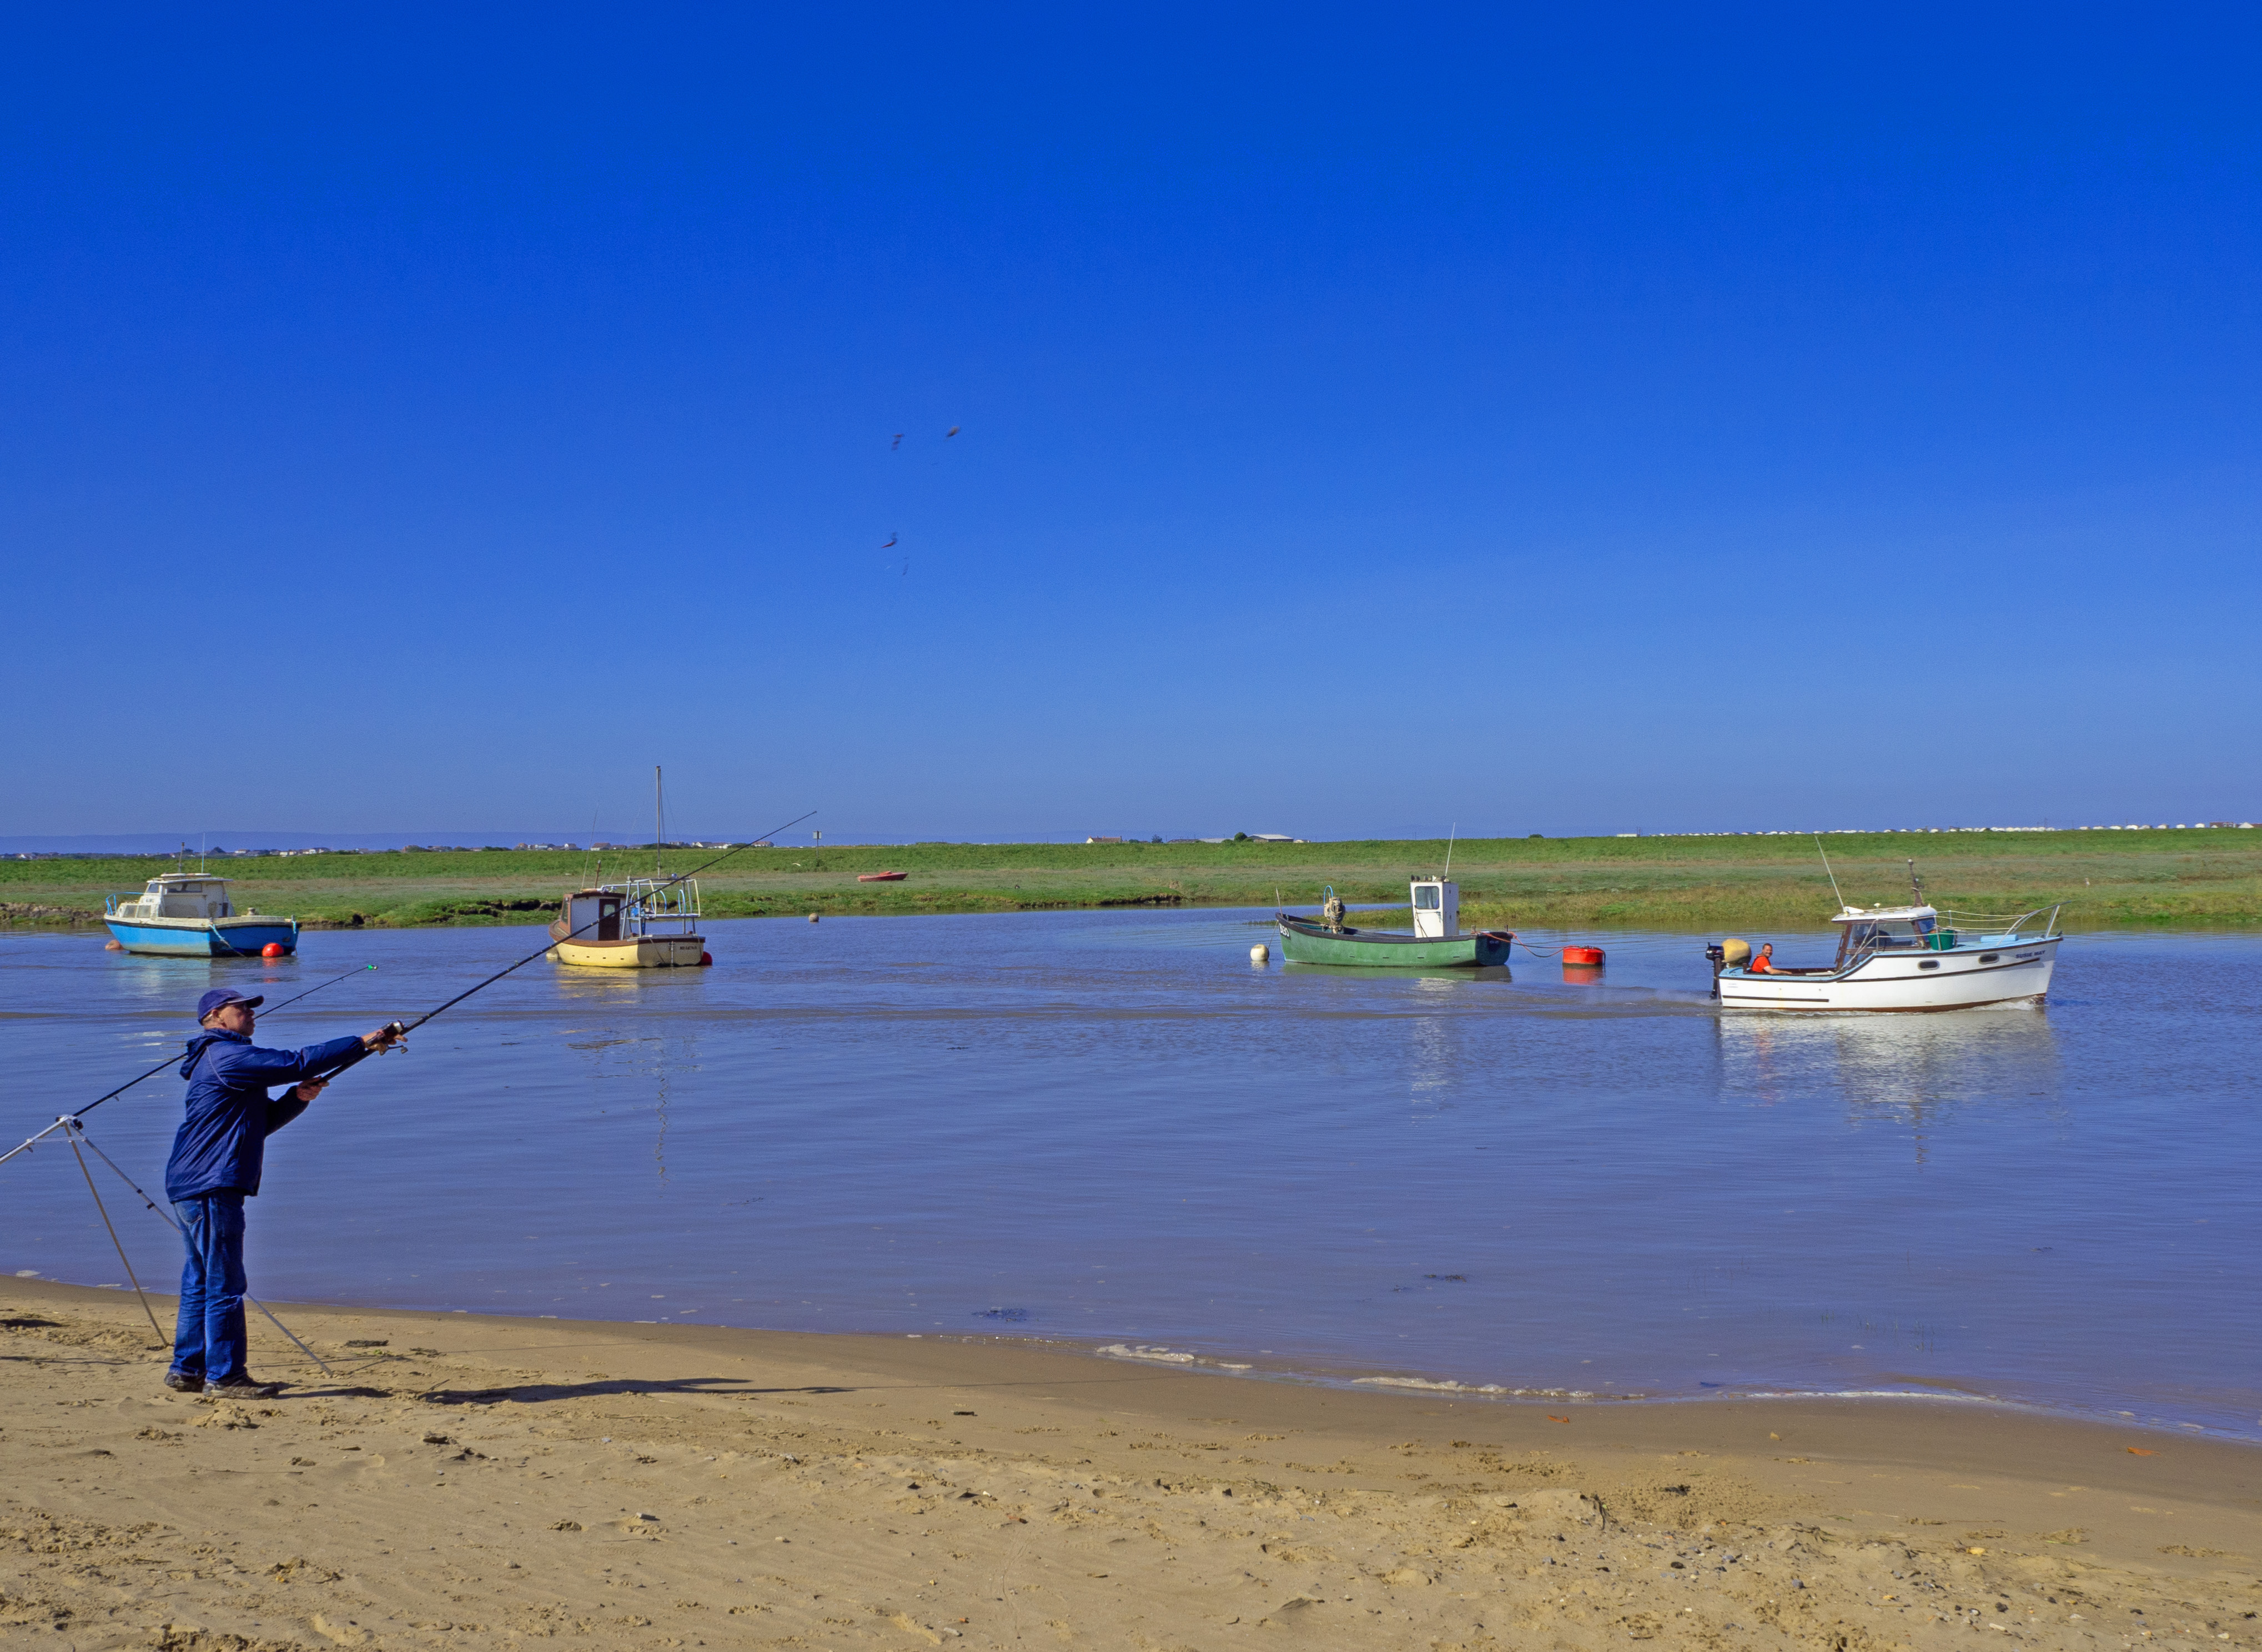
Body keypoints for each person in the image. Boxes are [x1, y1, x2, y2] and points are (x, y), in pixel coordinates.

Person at [164, 987, 401, 1396]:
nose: (253, 1014)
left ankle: (187, 1370)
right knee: (224, 1283)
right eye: (244, 1009)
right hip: (210, 1185)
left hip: (194, 1183)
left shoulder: (220, 1059)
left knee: (200, 1279)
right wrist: (363, 1041)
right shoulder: (226, 1055)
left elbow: (259, 1123)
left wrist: (296, 1097)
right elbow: (297, 1061)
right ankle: (225, 1377)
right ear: (218, 1015)